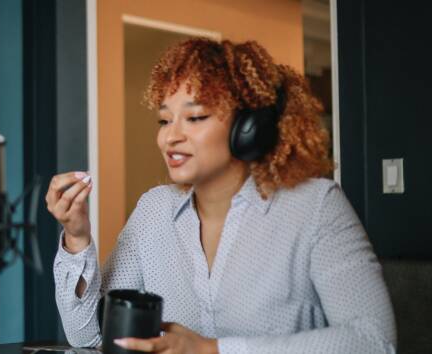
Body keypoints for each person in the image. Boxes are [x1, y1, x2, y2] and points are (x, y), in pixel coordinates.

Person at [48, 38, 396, 353]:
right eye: (165, 121)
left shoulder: (315, 206)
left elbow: (373, 341)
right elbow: (89, 336)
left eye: (195, 117)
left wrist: (213, 350)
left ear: (249, 127)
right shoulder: (154, 209)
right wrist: (77, 237)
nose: (171, 137)